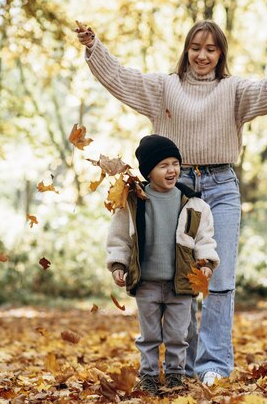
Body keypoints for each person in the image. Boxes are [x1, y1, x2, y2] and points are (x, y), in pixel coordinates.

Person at [78, 19, 267, 385]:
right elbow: (122, 79)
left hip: (221, 186)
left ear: (220, 54)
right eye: (196, 47)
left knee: (217, 276)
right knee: (179, 278)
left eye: (211, 49)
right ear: (186, 50)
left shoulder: (232, 90)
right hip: (175, 188)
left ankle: (214, 366)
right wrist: (94, 48)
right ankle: (183, 367)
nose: (202, 55)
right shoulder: (164, 88)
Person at [106, 134, 220, 395]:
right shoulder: (133, 201)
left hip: (180, 283)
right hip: (146, 283)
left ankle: (175, 375)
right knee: (148, 336)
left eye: (175, 163)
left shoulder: (193, 203)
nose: (172, 170)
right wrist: (118, 265)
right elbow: (120, 238)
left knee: (178, 336)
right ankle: (147, 376)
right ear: (148, 171)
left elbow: (204, 237)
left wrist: (205, 263)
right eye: (163, 165)